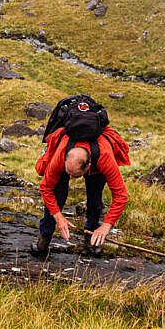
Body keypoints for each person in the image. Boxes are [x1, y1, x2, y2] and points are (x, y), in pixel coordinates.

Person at [31, 96, 130, 257]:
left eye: (74, 175)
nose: (70, 178)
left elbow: (121, 196)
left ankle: (92, 235)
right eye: (68, 173)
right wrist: (58, 216)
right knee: (58, 194)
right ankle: (45, 235)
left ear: (88, 167)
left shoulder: (105, 157)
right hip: (73, 159)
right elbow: (45, 187)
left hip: (97, 164)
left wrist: (106, 225)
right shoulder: (61, 153)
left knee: (95, 200)